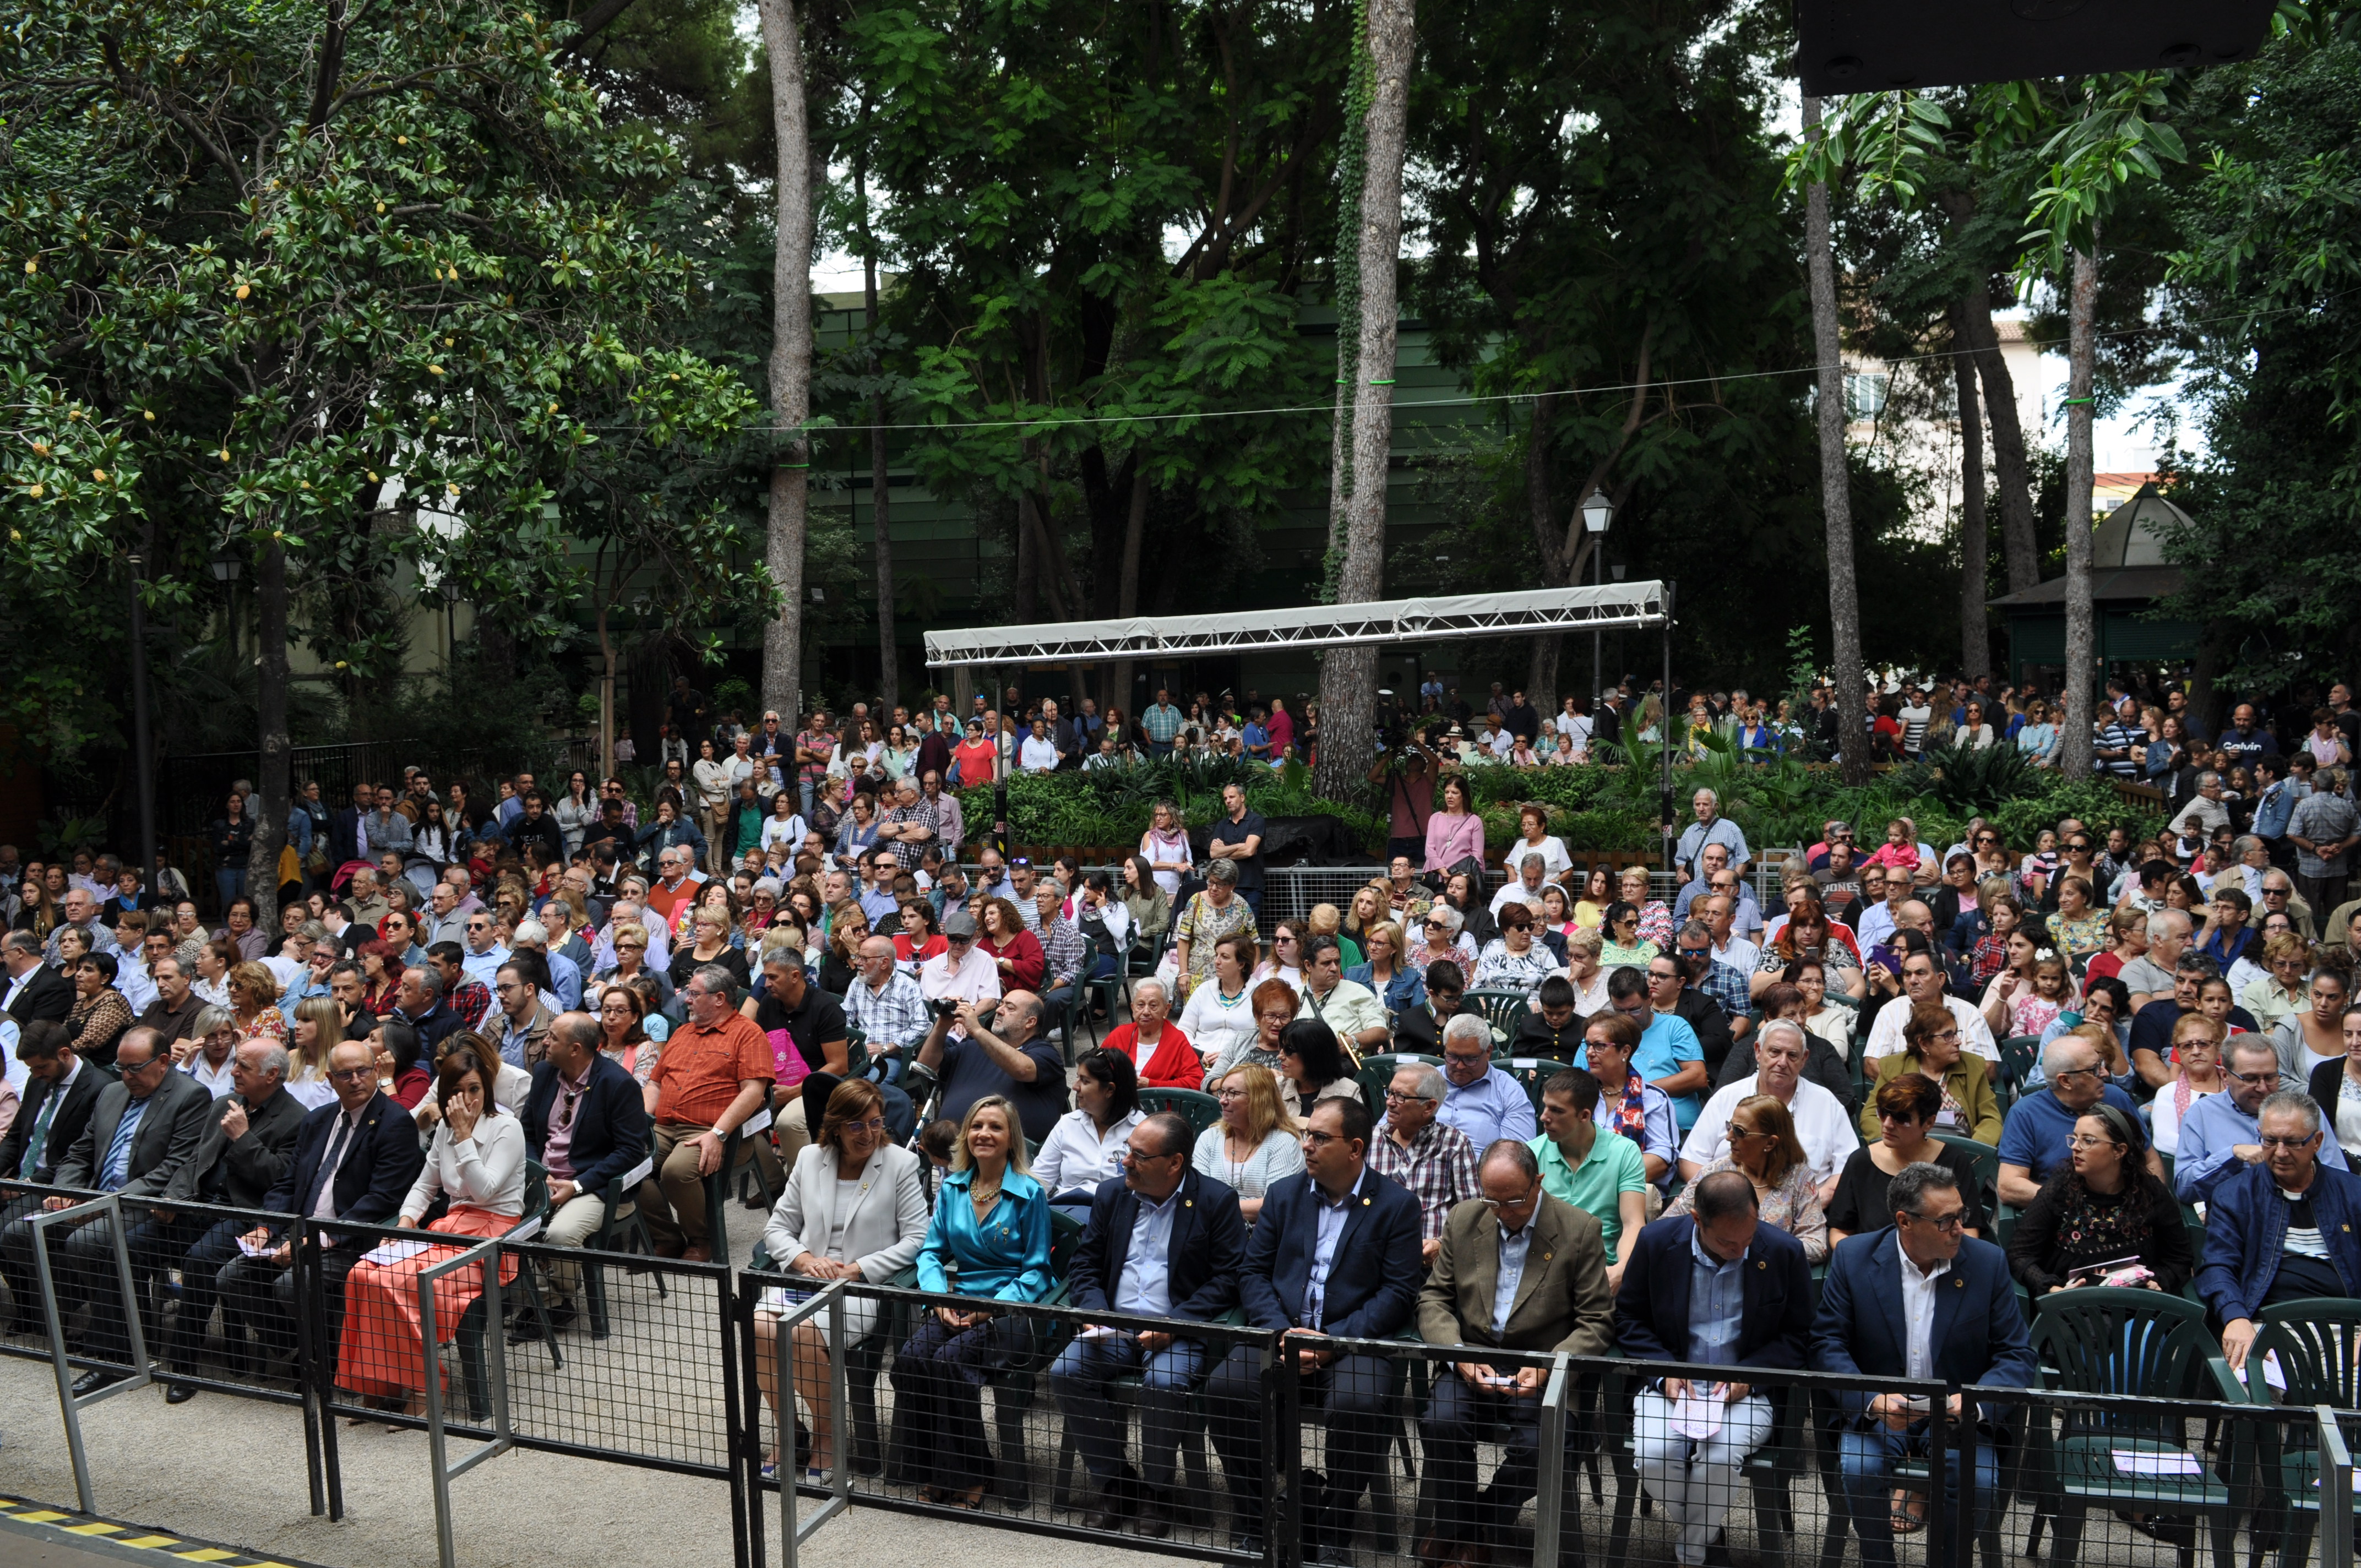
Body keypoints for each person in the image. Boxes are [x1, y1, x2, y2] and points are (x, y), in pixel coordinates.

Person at [1204, 1097, 1423, 1558]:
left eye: (1320, 1138)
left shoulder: (1397, 1206)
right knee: (1224, 1390)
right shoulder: (1286, 1195)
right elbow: (1253, 1272)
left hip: (1352, 1343)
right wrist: (1283, 1331)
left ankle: (1333, 1530)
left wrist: (1333, 1342)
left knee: (1360, 1405)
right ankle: (1258, 1518)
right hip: (1282, 1335)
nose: (1307, 1145)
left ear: (1356, 1148)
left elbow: (1398, 1293)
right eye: (1307, 1135)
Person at [1812, 1162, 2037, 1568]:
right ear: (1905, 1222)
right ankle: (1878, 1562)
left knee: (1976, 1481)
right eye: (1946, 1220)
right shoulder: (1854, 1257)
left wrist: (1975, 1406)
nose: (1958, 1229)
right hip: (1883, 1410)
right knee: (1860, 1468)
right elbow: (1827, 1343)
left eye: (1961, 1216)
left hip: (1957, 1416)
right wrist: (1872, 1400)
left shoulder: (1986, 1264)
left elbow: (2017, 1354)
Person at [1416, 1140, 1617, 1562]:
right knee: (1441, 1422)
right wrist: (1457, 1354)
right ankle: (1466, 1531)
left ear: (1538, 1182)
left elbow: (1596, 1321)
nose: (1503, 1212)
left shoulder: (1579, 1229)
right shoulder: (1466, 1217)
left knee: (1542, 1443)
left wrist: (1550, 1370)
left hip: (1542, 1363)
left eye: (1514, 1201)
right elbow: (1434, 1300)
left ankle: (1476, 1525)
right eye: (1493, 1200)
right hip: (1473, 1355)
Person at [1049, 1110, 1247, 1537]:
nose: (1126, 1162)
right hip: (1113, 1325)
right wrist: (1096, 1310)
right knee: (1065, 1371)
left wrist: (1174, 1325)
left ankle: (1158, 1493)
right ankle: (1118, 1484)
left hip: (1180, 1332)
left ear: (1174, 1163)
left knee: (1164, 1383)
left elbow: (1228, 1278)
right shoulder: (1111, 1195)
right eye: (1127, 1152)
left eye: (1139, 1155)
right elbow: (1084, 1263)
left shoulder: (1215, 1201)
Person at [1616, 1171, 1814, 1568]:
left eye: (1748, 1238)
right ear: (1696, 1220)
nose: (1741, 1250)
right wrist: (1664, 1372)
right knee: (1654, 1455)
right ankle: (1707, 1530)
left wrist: (1750, 1376)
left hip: (1747, 1387)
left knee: (1720, 1459)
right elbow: (1629, 1320)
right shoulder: (1656, 1243)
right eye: (1727, 1242)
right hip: (1672, 1381)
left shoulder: (1783, 1251)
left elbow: (1800, 1335)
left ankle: (1693, 1555)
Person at [8, 1029, 211, 1395]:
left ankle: (113, 1354)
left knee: (87, 1241)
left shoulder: (190, 1096)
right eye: (121, 1067)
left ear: (163, 1062)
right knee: (21, 1233)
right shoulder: (112, 1093)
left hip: (141, 1201)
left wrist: (99, 1206)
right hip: (93, 1195)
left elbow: (172, 1168)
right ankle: (93, 1314)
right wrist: (67, 1192)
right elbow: (80, 1152)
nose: (126, 1076)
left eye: (135, 1068)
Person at [334, 1043, 526, 1420]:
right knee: (362, 1274)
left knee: (402, 1281)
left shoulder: (508, 1128)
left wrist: (464, 1136)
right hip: (449, 1229)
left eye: (474, 1089)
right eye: (458, 1091)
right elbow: (425, 1186)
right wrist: (404, 1226)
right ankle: (380, 1384)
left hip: (492, 1237)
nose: (467, 1099)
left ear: (486, 1089)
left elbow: (484, 1189)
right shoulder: (443, 1130)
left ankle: (424, 1385)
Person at [753, 1078, 929, 1480]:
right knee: (762, 1327)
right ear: (835, 1127)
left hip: (860, 1286)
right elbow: (778, 1228)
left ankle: (827, 1437)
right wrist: (803, 1259)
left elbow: (918, 1239)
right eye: (857, 1126)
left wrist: (857, 1269)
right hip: (808, 1276)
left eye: (876, 1123)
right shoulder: (811, 1159)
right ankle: (787, 1432)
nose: (868, 1134)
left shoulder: (901, 1164)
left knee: (797, 1334)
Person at [215, 1040, 427, 1370]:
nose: (356, 1080)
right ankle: (301, 1345)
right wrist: (265, 1227)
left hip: (350, 1239)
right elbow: (288, 1183)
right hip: (299, 1229)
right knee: (231, 1276)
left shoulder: (395, 1123)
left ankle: (324, 1360)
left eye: (363, 1071)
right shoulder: (318, 1120)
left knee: (292, 1283)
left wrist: (317, 1239)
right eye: (345, 1074)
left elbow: (383, 1198)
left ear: (375, 1072)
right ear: (330, 1079)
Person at [889, 1096, 1054, 1510]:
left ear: (1011, 1139)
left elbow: (1038, 1271)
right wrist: (938, 1297)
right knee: (911, 1358)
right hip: (955, 1300)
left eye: (996, 1127)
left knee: (948, 1362)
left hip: (1010, 1314)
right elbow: (930, 1253)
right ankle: (937, 1470)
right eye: (978, 1125)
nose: (985, 1134)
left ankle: (973, 1475)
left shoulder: (1029, 1194)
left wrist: (992, 1308)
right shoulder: (954, 1187)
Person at [143, 1038, 307, 1401]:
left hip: (246, 1215)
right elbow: (193, 1161)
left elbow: (280, 1182)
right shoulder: (224, 1103)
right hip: (199, 1204)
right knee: (132, 1241)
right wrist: (173, 1196)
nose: (234, 1071)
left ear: (271, 1075)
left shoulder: (296, 1119)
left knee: (199, 1261)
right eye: (236, 1064)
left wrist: (243, 1137)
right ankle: (116, 1346)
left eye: (244, 1067)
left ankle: (182, 1366)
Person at [2199, 1089, 2361, 1375]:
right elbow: (2217, 1265)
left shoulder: (2353, 1193)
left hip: (2347, 1327)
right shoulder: (2234, 1195)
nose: (2281, 1152)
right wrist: (2235, 1317)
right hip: (2265, 1326)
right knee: (2251, 1387)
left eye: (2294, 1142)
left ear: (2318, 1142)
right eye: (2271, 1141)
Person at [512, 1011, 651, 1343]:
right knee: (496, 1215)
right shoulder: (545, 1073)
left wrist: (575, 1185)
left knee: (561, 1234)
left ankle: (554, 1303)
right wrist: (538, 1172)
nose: (544, 1042)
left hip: (597, 1185)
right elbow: (527, 1131)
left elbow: (631, 1151)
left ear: (576, 1049)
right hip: (544, 1177)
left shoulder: (618, 1084)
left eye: (553, 1038)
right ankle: (536, 1295)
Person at [637, 964, 775, 1262]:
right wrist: (640, 1124)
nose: (686, 999)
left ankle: (703, 1238)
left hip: (713, 1130)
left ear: (719, 998)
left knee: (676, 1172)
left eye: (693, 994)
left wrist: (718, 1134)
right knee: (627, 1162)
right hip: (664, 1124)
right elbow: (655, 1083)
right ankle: (667, 1237)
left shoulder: (748, 1034)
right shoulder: (683, 1033)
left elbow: (754, 1092)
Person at [2006, 1102, 2192, 1298]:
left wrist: (2158, 1282)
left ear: (2119, 1151)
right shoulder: (2060, 1190)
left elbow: (2179, 1258)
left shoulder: (2150, 1192)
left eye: (2088, 1141)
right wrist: (2053, 1290)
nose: (2076, 1147)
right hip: (2072, 1305)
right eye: (2074, 1139)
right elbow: (2020, 1254)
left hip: (2140, 1303)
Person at [2177, 1034, 2352, 1204]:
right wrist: (2232, 1156)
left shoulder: (2305, 1111)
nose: (2262, 1088)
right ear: (2225, 1076)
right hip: (2235, 1223)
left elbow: (2338, 1179)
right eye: (2250, 1079)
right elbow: (2185, 1189)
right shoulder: (2200, 1114)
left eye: (2270, 1078)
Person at [1826, 1074, 1990, 1247]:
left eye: (1902, 1118)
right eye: (1883, 1113)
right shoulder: (1861, 1162)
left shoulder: (1954, 1160)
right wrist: (1859, 1259)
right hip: (1874, 1263)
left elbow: (1970, 1229)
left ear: (1928, 1123)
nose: (1887, 1124)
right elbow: (1840, 1231)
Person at [1669, 1095, 1830, 1261]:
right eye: (1730, 1127)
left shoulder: (1799, 1178)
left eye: (1740, 1132)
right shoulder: (1717, 1171)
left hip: (1767, 1279)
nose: (1729, 1138)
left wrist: (1751, 1251)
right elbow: (1668, 1225)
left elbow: (1817, 1246)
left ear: (1770, 1143)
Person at [1531, 1068, 1651, 1287]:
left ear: (1584, 1116)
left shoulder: (1624, 1152)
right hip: (1544, 1270)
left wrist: (1621, 1270)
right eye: (1545, 1106)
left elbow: (1633, 1222)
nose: (1544, 1117)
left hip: (1602, 1269)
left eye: (1556, 1111)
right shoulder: (1532, 1153)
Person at [1368, 1061, 1481, 1260]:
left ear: (1429, 1107)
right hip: (1374, 1255)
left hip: (1430, 1261)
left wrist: (1441, 1244)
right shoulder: (1371, 1140)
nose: (1390, 1102)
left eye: (1401, 1096)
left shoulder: (1454, 1144)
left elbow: (1473, 1212)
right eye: (1390, 1092)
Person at [1582, 964, 1706, 1130]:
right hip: (1611, 1129)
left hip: (1678, 1127)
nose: (1627, 1018)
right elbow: (1580, 1084)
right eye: (1619, 1011)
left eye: (1635, 1010)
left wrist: (1636, 1090)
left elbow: (1698, 1077)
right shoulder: (1598, 1036)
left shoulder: (1674, 1027)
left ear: (1650, 998)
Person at [1860, 1004, 2002, 1146]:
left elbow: (1990, 1119)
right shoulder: (1894, 1067)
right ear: (1924, 1044)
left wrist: (1975, 1150)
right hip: (1904, 1152)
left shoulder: (1973, 1066)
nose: (1958, 1042)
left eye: (1956, 1033)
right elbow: (1871, 1116)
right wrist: (1890, 1146)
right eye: (1948, 1036)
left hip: (1960, 1154)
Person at [1193, 1063, 1304, 1224]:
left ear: (1259, 1099)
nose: (1222, 1101)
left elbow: (1276, 1205)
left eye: (1232, 1093)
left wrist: (1216, 1207)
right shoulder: (1210, 1138)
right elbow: (1196, 1196)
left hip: (1263, 1239)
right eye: (1222, 1092)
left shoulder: (1283, 1142)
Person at [1581, 1010, 1679, 1186]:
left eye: (1599, 1046)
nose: (1589, 1052)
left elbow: (1662, 1156)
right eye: (1588, 1045)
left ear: (1625, 1051)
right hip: (1574, 1184)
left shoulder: (1653, 1098)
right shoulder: (1576, 1092)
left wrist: (1606, 1179)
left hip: (1628, 1189)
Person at [1033, 1048, 1145, 1200]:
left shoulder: (1143, 1130)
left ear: (1110, 1090)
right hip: (1068, 1211)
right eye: (1078, 1078)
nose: (1075, 1086)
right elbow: (1039, 1180)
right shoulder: (1068, 1125)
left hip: (1116, 1215)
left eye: (1085, 1081)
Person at [1435, 1010, 1538, 1147]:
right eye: (1452, 1057)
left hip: (1480, 1167)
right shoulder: (1426, 1083)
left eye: (1470, 1059)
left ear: (1488, 1052)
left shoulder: (1509, 1092)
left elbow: (1516, 1155)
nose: (1460, 1066)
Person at [1296, 933, 1390, 1055]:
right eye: (1326, 963)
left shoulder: (1358, 993)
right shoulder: (1295, 997)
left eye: (1337, 962)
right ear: (1308, 966)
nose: (1335, 968)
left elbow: (1380, 1032)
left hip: (1345, 1069)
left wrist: (1349, 1042)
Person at [1098, 977, 1200, 1089]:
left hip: (1159, 1105)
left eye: (1153, 1006)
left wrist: (1153, 1085)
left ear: (1166, 1009)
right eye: (1141, 1005)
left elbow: (1196, 1081)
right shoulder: (1120, 1035)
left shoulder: (1177, 1040)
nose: (1146, 1012)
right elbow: (1096, 1069)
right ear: (1133, 1008)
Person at [1206, 783, 1269, 920]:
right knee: (1226, 932)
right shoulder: (1222, 825)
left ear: (1242, 798)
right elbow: (1214, 854)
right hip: (1226, 888)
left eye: (1232, 797)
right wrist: (1239, 845)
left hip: (1251, 887)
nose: (1228, 801)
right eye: (1225, 798)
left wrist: (1225, 850)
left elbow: (1249, 851)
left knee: (1249, 934)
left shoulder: (1256, 821)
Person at [2310, 1004, 2361, 1164]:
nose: (2354, 1042)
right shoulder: (2326, 1073)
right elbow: (2317, 1130)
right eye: (2348, 1034)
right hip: (2339, 1166)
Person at [1423, 775, 1484, 874]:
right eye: (1447, 792)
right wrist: (1444, 872)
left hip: (1463, 877)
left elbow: (1477, 856)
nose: (1449, 796)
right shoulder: (1435, 818)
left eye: (1455, 793)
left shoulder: (1474, 821)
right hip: (1437, 875)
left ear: (1463, 796)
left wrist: (1458, 877)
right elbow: (1430, 850)